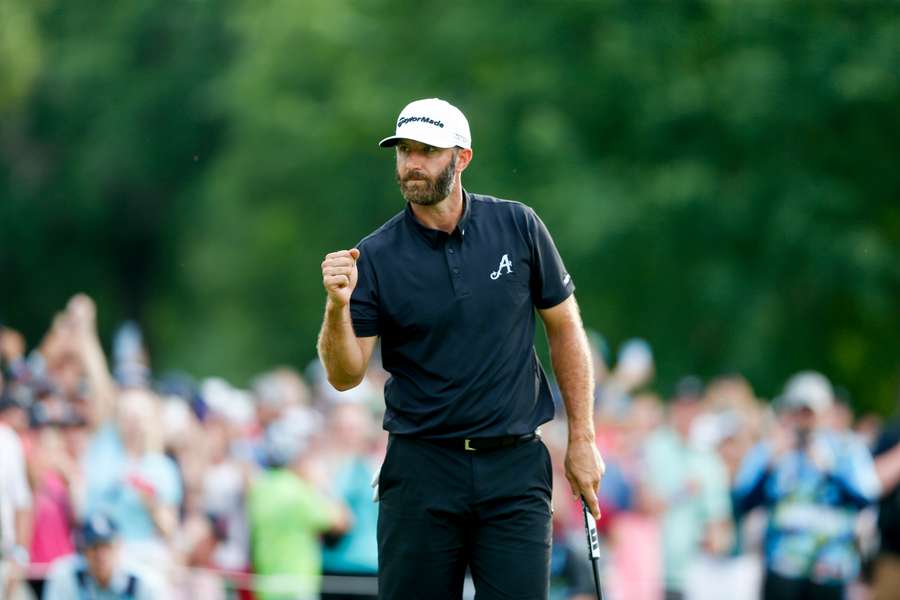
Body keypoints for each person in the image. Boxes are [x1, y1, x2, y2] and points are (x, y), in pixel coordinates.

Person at [317, 97, 605, 599]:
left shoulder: (518, 226)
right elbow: (345, 375)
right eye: (404, 151)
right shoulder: (376, 255)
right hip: (421, 469)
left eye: (427, 151)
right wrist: (337, 308)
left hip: (514, 467)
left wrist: (582, 437)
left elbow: (565, 327)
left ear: (462, 158)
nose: (411, 164)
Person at [733, 371, 881, 600]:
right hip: (783, 568)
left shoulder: (847, 449)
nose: (804, 420)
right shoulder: (772, 449)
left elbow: (868, 498)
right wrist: (769, 466)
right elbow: (743, 502)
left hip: (830, 568)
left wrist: (832, 470)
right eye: (798, 412)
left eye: (809, 412)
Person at [42, 512, 161, 599]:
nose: (101, 555)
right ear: (83, 550)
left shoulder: (142, 582)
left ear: (119, 547)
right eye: (94, 547)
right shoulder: (66, 576)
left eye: (107, 546)